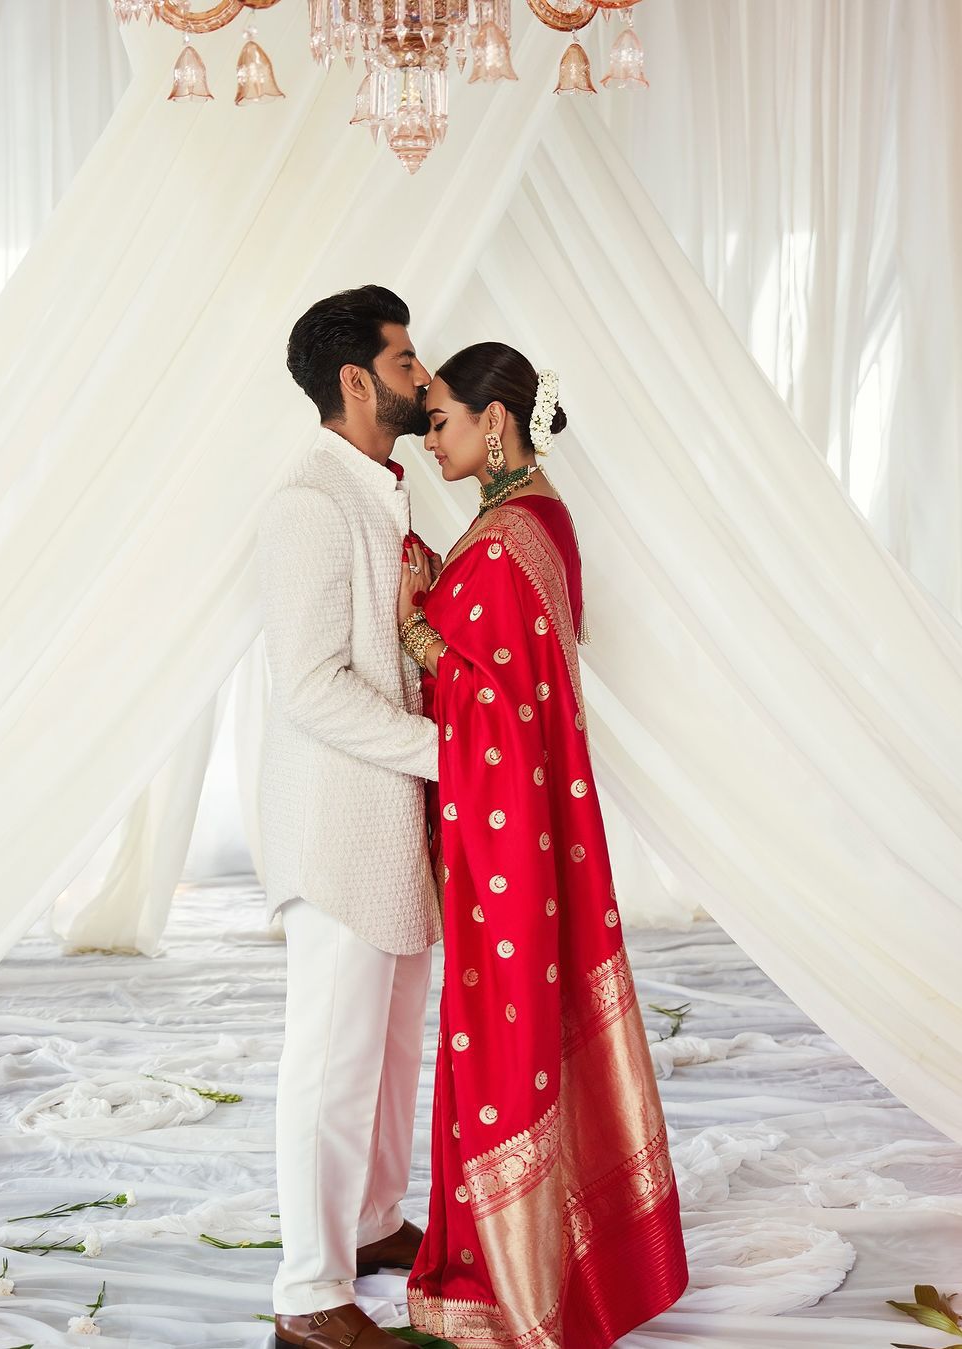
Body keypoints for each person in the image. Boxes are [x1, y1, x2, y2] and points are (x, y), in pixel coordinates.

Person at [399, 342, 689, 1347]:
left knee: (504, 1027)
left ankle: (513, 1278)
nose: (426, 436)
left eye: (437, 418)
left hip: (512, 828)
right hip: (522, 822)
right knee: (507, 1024)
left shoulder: (515, 528)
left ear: (493, 419)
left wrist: (420, 638)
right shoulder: (521, 521)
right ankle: (559, 1247)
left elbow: (503, 711)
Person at [259, 285, 444, 1349]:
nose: (425, 377)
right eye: (408, 360)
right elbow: (310, 684)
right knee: (330, 1059)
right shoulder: (309, 501)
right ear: (356, 380)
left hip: (392, 819)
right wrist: (449, 754)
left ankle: (373, 1223)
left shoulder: (379, 484)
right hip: (337, 827)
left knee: (385, 1048)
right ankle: (308, 1294)